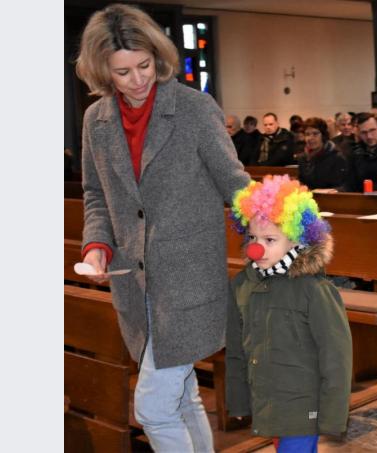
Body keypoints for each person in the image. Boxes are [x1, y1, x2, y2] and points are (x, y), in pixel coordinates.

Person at [75, 4, 252, 451]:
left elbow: (235, 183)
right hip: (133, 286)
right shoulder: (96, 122)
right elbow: (96, 195)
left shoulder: (194, 109)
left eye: (144, 65)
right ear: (103, 72)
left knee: (152, 408)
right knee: (184, 395)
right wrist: (96, 245)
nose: (137, 80)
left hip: (190, 282)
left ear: (158, 55)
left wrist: (282, 238)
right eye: (122, 72)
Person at [226, 175, 352, 451]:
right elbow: (236, 349)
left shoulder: (314, 290)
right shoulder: (244, 284)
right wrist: (238, 399)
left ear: (297, 241)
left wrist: (333, 416)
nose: (256, 247)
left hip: (303, 406)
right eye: (252, 237)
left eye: (270, 239)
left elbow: (336, 357)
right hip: (268, 402)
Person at [296, 117, 349, 190]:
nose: (310, 138)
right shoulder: (302, 157)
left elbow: (343, 186)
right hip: (308, 198)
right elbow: (302, 181)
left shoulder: (336, 156)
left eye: (315, 134)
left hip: (329, 199)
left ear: (323, 135)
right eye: (307, 134)